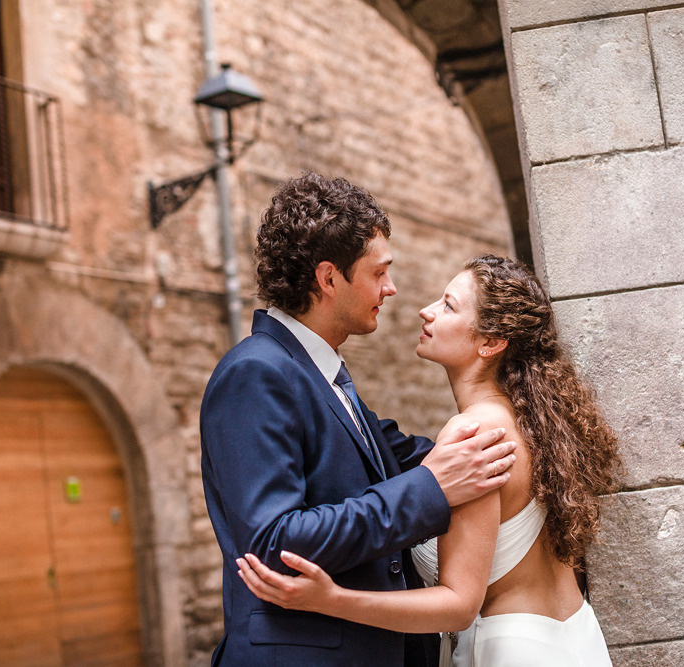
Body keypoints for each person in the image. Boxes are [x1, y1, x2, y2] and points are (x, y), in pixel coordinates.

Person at [237, 254, 622, 666]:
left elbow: (458, 606)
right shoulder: (534, 424)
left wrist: (332, 599)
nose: (426, 310)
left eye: (448, 305)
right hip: (573, 638)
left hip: (511, 649)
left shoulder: (470, 435)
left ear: (490, 342)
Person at [200, 173, 518, 666]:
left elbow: (404, 455)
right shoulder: (253, 374)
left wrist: (518, 433)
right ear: (329, 278)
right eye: (378, 272)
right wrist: (432, 489)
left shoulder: (322, 372)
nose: (391, 289)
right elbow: (274, 543)